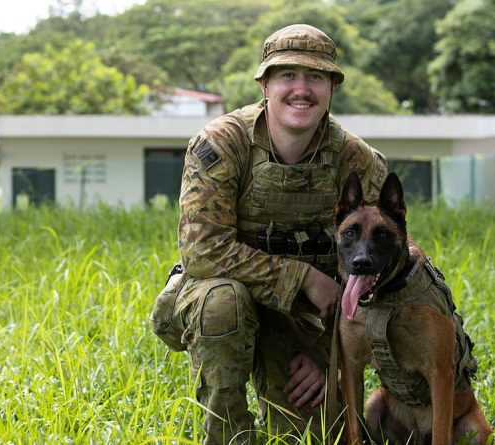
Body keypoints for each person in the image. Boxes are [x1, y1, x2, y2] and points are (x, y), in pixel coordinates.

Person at [150, 23, 388, 444]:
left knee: (319, 437)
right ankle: (227, 435)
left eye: (315, 76)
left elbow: (379, 275)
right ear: (264, 83)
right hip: (220, 299)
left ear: (333, 86)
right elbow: (202, 251)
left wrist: (330, 357)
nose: (302, 89)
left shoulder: (358, 162)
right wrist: (302, 278)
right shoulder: (223, 145)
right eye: (287, 75)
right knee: (223, 302)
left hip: (305, 320)